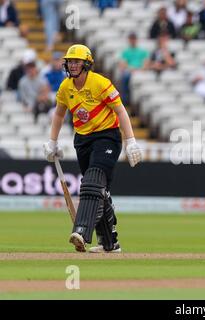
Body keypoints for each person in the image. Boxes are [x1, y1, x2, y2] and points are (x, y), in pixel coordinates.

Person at [43, 44, 143, 253]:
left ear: (87, 64)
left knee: (92, 179)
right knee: (100, 190)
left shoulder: (100, 83)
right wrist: (52, 142)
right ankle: (110, 243)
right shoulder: (65, 87)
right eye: (70, 61)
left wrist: (131, 141)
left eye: (77, 61)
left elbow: (121, 111)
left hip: (107, 137)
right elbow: (60, 114)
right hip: (82, 140)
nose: (72, 65)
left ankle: (81, 231)